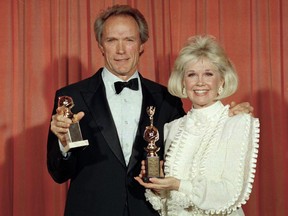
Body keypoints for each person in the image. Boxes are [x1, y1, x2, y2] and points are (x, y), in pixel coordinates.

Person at [47, 5, 253, 216]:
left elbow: (193, 148)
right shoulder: (71, 97)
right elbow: (58, 173)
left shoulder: (167, 99)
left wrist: (228, 115)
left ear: (141, 45)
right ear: (101, 45)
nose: (120, 50)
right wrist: (64, 146)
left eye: (129, 40)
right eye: (111, 40)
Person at [135, 35, 260, 216]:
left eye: (208, 74)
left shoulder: (238, 122)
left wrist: (178, 184)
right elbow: (170, 204)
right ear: (183, 82)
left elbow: (230, 193)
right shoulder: (173, 128)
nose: (200, 82)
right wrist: (159, 186)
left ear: (222, 80)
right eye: (191, 74)